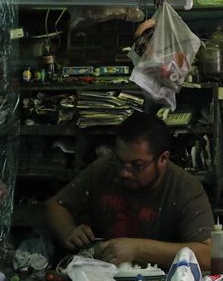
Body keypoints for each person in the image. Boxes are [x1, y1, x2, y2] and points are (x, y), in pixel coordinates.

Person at [45, 112, 213, 269]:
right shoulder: (105, 168)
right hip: (102, 276)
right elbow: (55, 206)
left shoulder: (186, 189)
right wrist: (67, 230)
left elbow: (208, 256)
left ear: (163, 159)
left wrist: (139, 249)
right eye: (120, 161)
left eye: (137, 165)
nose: (124, 172)